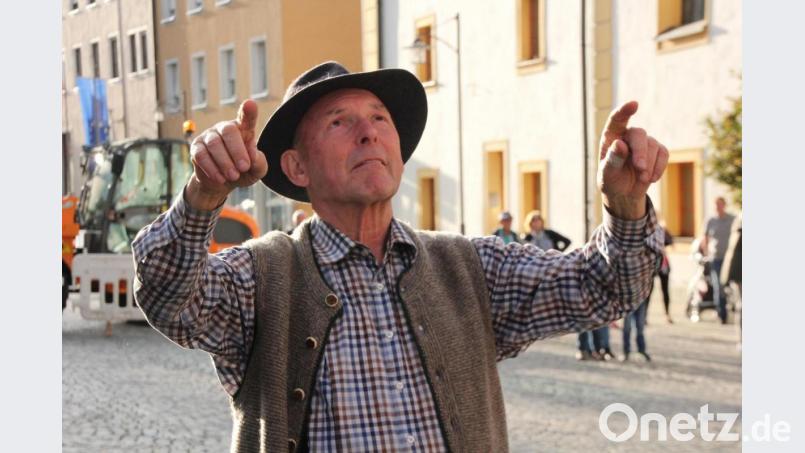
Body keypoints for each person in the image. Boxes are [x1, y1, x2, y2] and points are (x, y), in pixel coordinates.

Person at [131, 61, 668, 451]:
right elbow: (167, 297)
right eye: (339, 121)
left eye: (380, 119)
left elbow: (606, 284)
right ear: (296, 168)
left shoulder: (469, 267)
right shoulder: (261, 278)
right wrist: (202, 194)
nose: (368, 131)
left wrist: (625, 206)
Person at [701, 197, 736, 324]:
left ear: (724, 205)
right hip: (715, 258)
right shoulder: (710, 220)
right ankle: (722, 314)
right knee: (718, 286)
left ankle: (733, 308)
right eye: (716, 205)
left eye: (720, 204)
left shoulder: (732, 219)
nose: (718, 207)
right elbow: (705, 237)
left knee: (731, 286)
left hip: (729, 259)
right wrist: (705, 253)